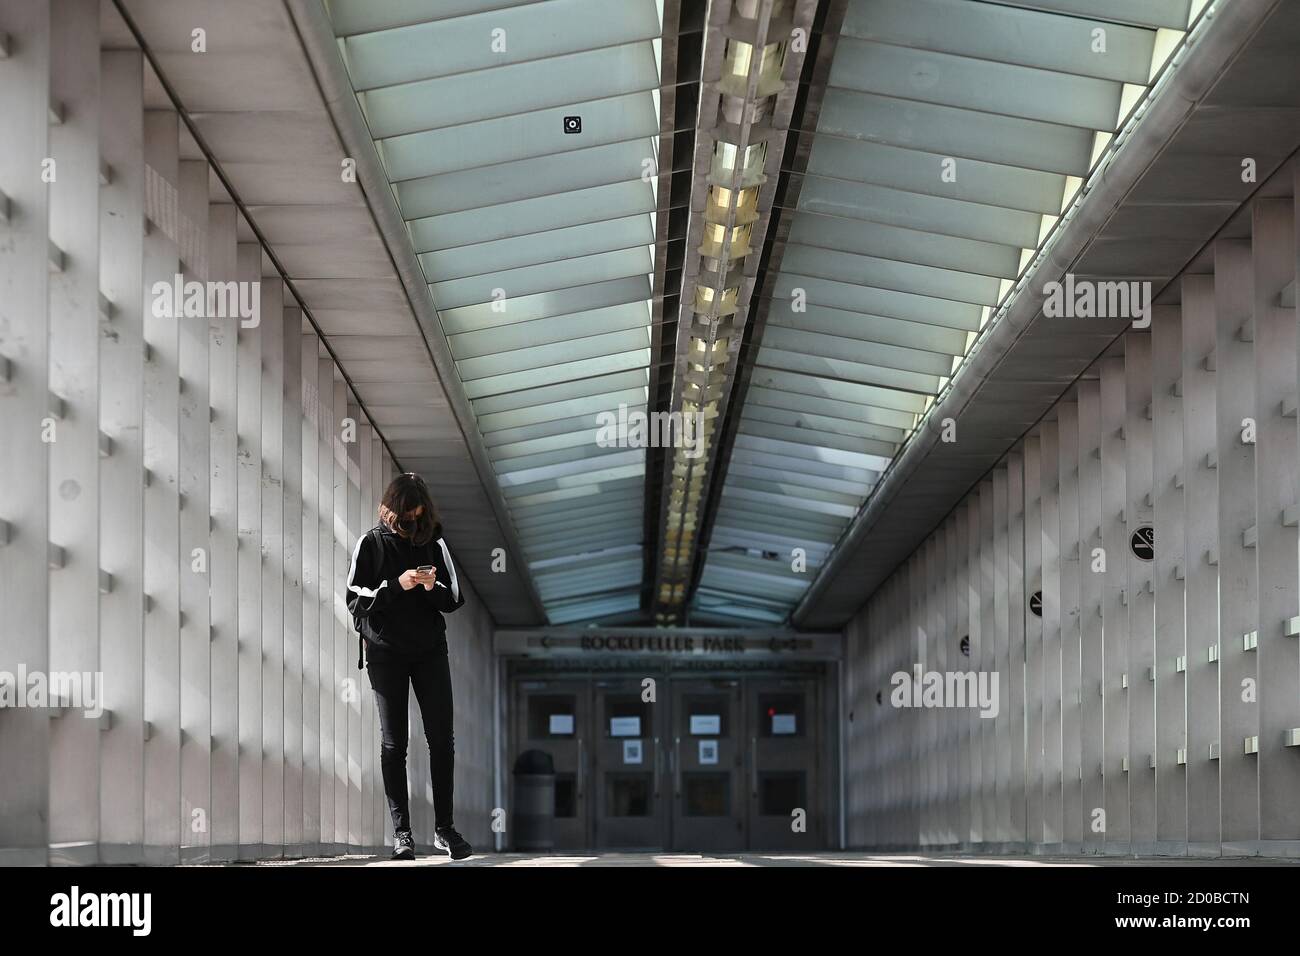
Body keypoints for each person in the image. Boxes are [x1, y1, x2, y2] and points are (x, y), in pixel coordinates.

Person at [345, 471, 473, 861]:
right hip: (386, 653)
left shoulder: (434, 541)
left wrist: (430, 587)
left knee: (441, 739)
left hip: (429, 650)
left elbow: (454, 597)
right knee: (394, 743)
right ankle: (402, 833)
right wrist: (397, 585)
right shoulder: (370, 543)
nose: (411, 524)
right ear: (392, 510)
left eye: (418, 516)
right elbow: (353, 598)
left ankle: (445, 829)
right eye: (406, 516)